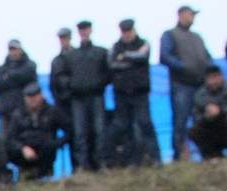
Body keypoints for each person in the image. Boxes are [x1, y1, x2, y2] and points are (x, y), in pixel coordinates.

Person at [163, 6, 215, 159]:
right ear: (180, 15)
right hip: (181, 85)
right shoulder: (170, 35)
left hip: (200, 85)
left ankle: (207, 152)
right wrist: (184, 67)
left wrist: (210, 71)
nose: (192, 17)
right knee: (180, 120)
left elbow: (207, 56)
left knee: (202, 119)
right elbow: (165, 56)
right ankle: (179, 154)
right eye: (190, 14)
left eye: (193, 15)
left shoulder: (197, 37)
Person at [110, 19, 161, 166]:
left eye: (129, 31)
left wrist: (125, 57)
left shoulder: (143, 43)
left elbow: (142, 56)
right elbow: (112, 64)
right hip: (122, 93)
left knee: (145, 123)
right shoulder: (115, 47)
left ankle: (155, 157)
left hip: (140, 92)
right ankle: (133, 160)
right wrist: (132, 60)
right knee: (125, 127)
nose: (126, 34)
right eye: (124, 31)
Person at [63, 21, 112, 172]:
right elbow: (64, 76)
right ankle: (82, 166)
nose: (84, 32)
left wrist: (99, 84)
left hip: (96, 96)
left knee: (99, 131)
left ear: (90, 30)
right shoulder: (72, 55)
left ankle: (101, 162)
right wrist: (72, 87)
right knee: (80, 133)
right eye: (81, 30)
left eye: (86, 29)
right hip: (78, 98)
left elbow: (109, 73)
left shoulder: (101, 52)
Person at [7, 83, 72, 178]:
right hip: (25, 154)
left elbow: (70, 130)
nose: (32, 100)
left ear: (41, 95)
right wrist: (22, 148)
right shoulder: (18, 114)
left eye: (35, 96)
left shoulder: (53, 111)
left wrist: (57, 143)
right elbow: (10, 138)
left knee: (46, 146)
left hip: (46, 153)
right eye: (29, 97)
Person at [0, 41, 41, 137]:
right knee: (4, 143)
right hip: (5, 113)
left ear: (21, 50)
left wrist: (8, 77)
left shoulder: (29, 65)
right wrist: (16, 79)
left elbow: (27, 75)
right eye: (11, 49)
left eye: (15, 49)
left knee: (25, 141)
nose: (14, 52)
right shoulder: (1, 69)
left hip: (24, 113)